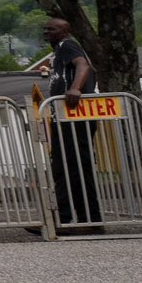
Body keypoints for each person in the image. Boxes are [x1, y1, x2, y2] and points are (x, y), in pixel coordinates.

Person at [43, 17, 101, 226]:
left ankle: (76, 219)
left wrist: (75, 88)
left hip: (74, 116)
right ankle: (78, 219)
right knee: (68, 167)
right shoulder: (59, 50)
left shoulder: (68, 45)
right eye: (45, 28)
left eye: (52, 29)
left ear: (65, 31)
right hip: (65, 116)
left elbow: (83, 65)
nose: (46, 31)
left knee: (70, 166)